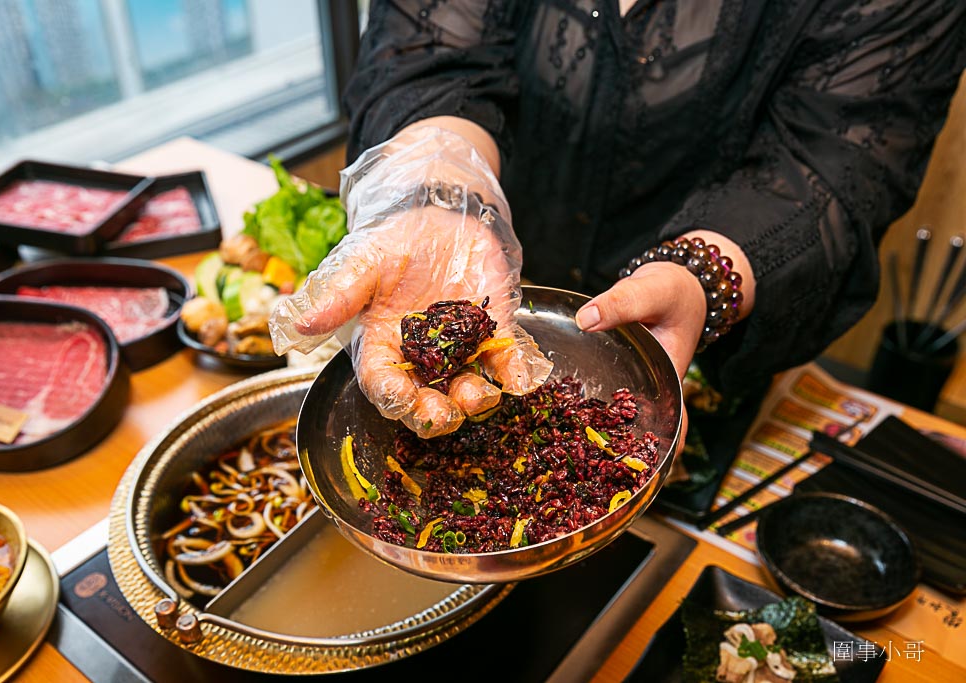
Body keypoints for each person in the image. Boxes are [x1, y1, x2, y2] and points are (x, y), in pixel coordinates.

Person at [269, 0, 966, 443]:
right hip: (482, 286)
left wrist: (703, 277)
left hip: (700, 348)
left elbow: (841, 156)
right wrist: (437, 190)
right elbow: (426, 53)